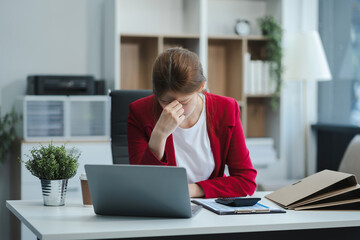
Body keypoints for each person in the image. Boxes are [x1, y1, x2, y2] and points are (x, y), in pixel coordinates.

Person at [127, 47, 257, 198]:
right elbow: (142, 184)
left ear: (201, 87)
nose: (173, 109)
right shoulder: (140, 112)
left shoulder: (226, 109)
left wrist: (190, 190)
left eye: (184, 101)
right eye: (165, 101)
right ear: (155, 93)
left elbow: (246, 181)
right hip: (161, 208)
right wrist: (159, 136)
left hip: (210, 209)